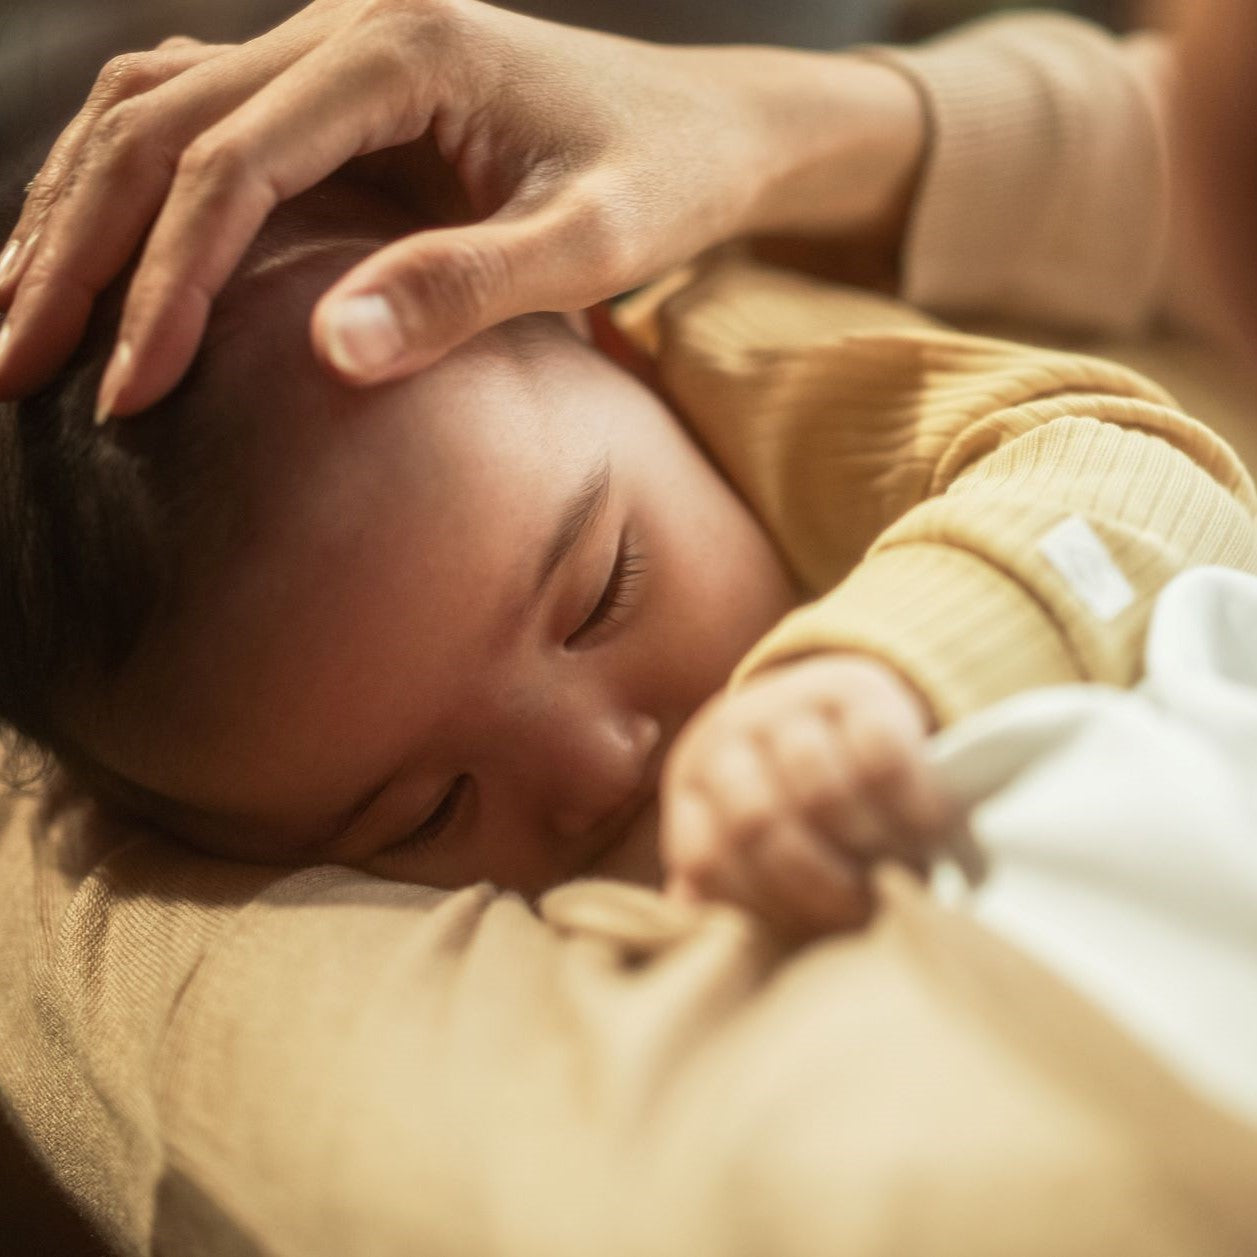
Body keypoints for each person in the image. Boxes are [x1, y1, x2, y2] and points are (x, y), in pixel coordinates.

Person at [1, 146, 1253, 937]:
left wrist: (867, 673)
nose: (602, 765)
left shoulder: (735, 345)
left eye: (606, 590)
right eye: (429, 813)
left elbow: (1142, 477)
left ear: (600, 334)